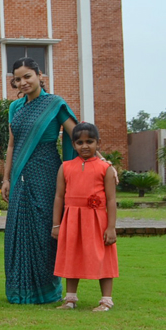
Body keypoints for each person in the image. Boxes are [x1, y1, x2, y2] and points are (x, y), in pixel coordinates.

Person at [0, 57, 77, 305]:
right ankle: (21, 291)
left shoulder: (54, 104)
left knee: (45, 230)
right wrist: (6, 177)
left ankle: (47, 290)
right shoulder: (15, 108)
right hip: (20, 175)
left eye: (27, 76)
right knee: (18, 229)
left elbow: (78, 134)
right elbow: (12, 145)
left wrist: (98, 160)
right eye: (18, 79)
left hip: (47, 173)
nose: (23, 82)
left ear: (40, 75)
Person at [51, 122, 119, 311]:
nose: (85, 146)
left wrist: (111, 227)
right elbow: (59, 197)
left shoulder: (106, 168)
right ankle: (70, 299)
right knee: (71, 255)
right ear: (73, 145)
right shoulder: (65, 167)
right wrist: (56, 224)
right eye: (80, 142)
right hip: (72, 219)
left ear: (98, 143)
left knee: (103, 256)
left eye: (90, 141)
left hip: (97, 220)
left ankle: (106, 300)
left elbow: (112, 200)